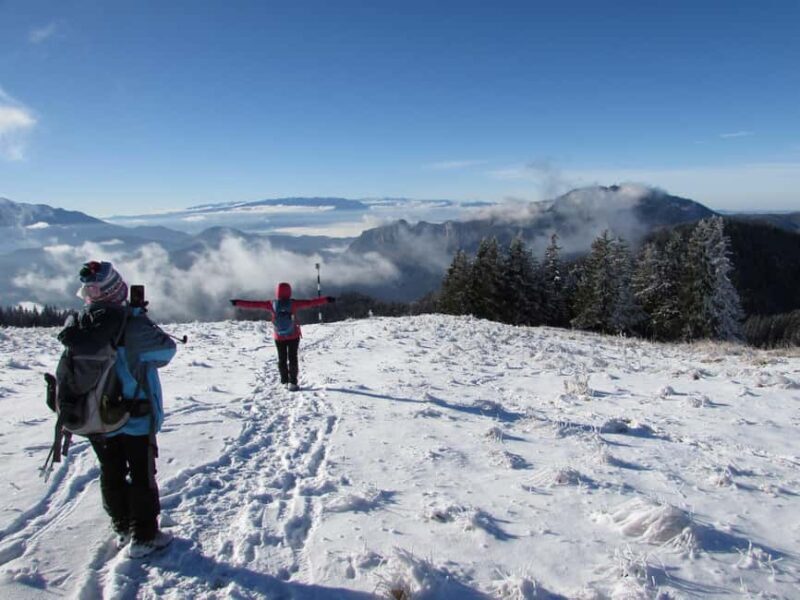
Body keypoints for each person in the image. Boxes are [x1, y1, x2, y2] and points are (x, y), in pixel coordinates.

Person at [57, 261, 176, 558]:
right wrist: (139, 317)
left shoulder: (80, 325)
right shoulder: (131, 324)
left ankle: (121, 525)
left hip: (94, 415)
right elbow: (166, 350)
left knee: (111, 471)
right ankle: (144, 536)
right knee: (141, 473)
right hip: (134, 415)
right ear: (117, 290)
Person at [230, 282, 334, 390]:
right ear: (289, 291)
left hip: (279, 336)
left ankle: (284, 381)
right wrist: (326, 299)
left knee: (282, 358)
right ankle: (293, 383)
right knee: (293, 358)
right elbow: (310, 302)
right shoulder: (293, 303)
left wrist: (237, 302)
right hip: (293, 335)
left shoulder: (272, 304)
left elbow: (254, 304)